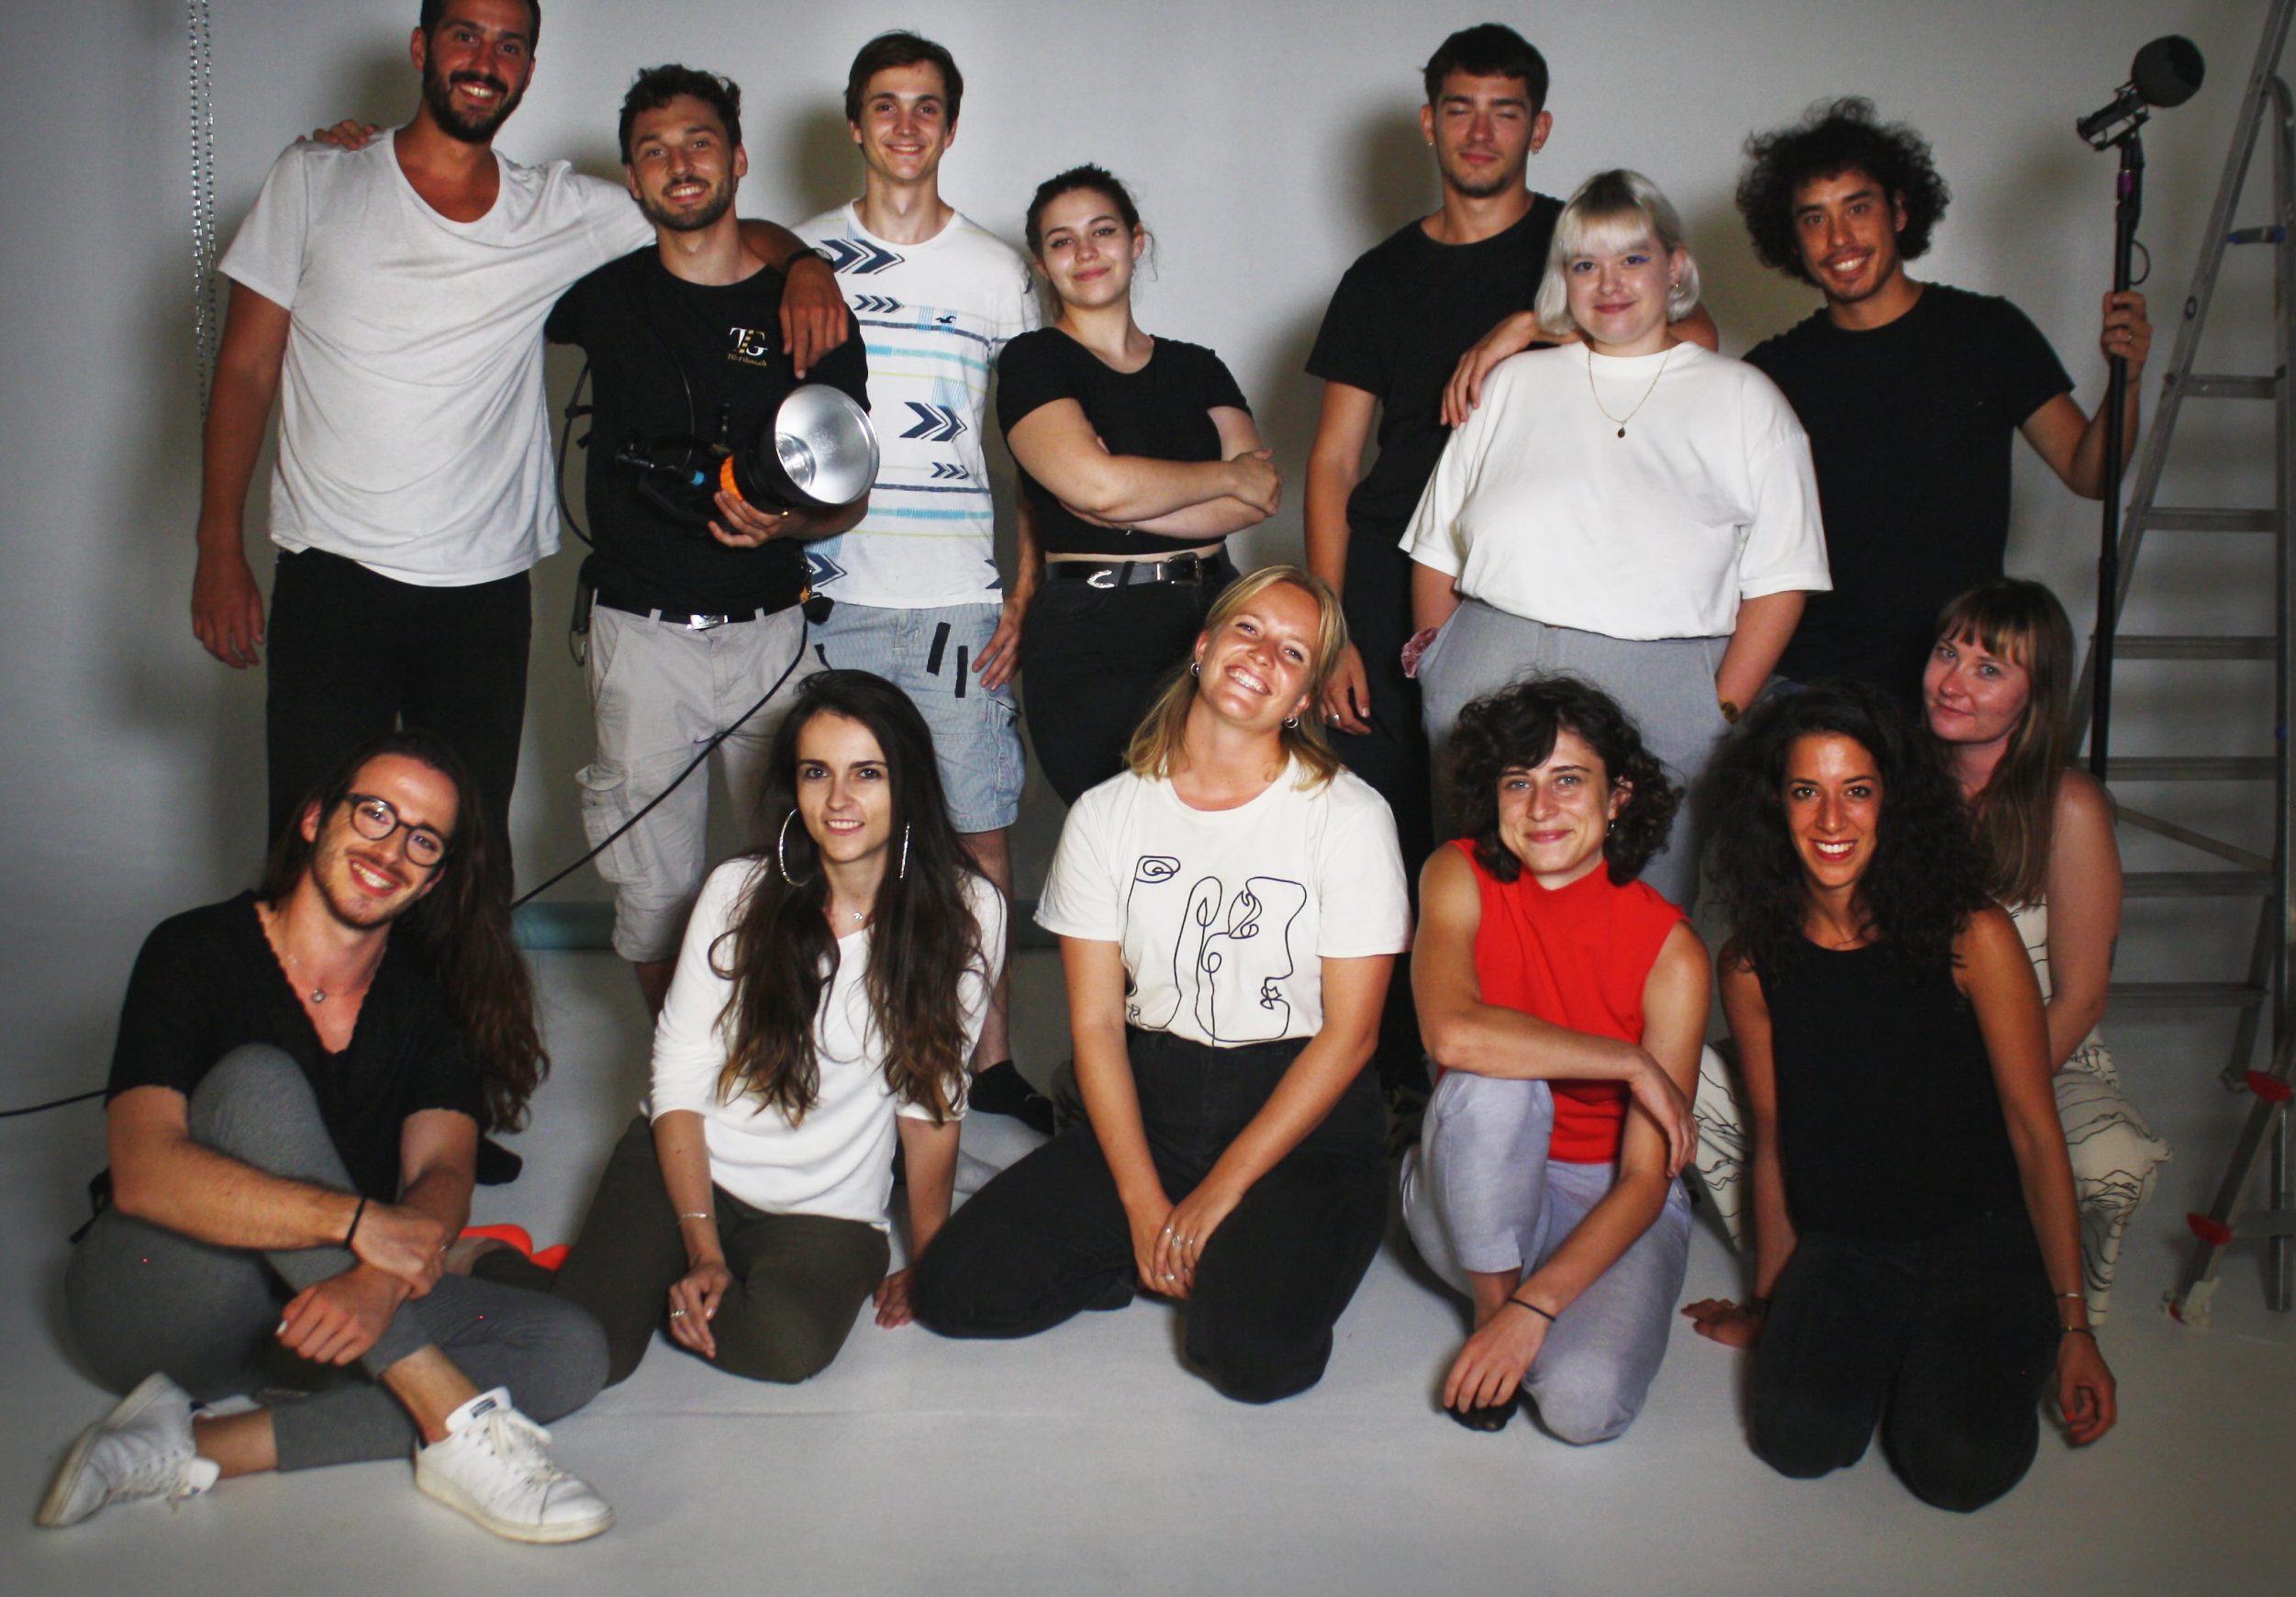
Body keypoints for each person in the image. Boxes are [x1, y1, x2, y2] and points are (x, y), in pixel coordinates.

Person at [195, 0, 847, 885]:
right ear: (423, 48)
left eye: (510, 45)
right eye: (466, 34)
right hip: (333, 568)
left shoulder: (566, 211)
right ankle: (308, 1033)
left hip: (482, 584)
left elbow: (709, 223)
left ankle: (456, 1037)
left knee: (465, 855)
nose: (484, 59)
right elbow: (247, 366)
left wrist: (808, 265)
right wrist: (217, 545)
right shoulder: (316, 179)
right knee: (313, 834)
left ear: (528, 71)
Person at [44, 734, 612, 1543]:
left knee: (569, 1350)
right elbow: (142, 1172)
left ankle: (198, 1445)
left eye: (422, 839)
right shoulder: (194, 950)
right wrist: (356, 1226)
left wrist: (376, 1285)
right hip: (154, 1300)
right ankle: (452, 1427)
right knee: (256, 1081)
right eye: (375, 813)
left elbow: (444, 1172)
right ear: (315, 818)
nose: (391, 850)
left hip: (312, 1319)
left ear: (435, 878)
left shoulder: (428, 1001)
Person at [1304, 23, 1716, 1096]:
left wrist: (1521, 326)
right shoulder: (1379, 276)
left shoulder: (1575, 245)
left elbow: (1699, 339)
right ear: (1428, 119)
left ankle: (1566, 1070)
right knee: (1403, 838)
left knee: (1549, 835)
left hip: (1544, 585)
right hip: (1401, 581)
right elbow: (1336, 460)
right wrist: (1331, 625)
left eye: (1502, 110)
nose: (1478, 130)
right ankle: (1413, 1085)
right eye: (1457, 106)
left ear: (1538, 125)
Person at [912, 566, 1410, 1403]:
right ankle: (1169, 1251)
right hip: (1160, 1098)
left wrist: (1222, 1190)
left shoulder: (1349, 817)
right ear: (1204, 645)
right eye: (1248, 630)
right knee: (954, 1292)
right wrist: (1145, 1206)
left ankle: (1267, 1242)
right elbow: (1100, 1029)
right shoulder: (1108, 814)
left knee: (1250, 1358)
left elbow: (1351, 1036)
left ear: (1302, 699)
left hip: (1302, 1114)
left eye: (1293, 653)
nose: (1262, 656)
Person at [473, 671, 1005, 1386]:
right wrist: (702, 1249)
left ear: (907, 788)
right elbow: (678, 1078)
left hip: (825, 1206)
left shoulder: (970, 914)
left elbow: (931, 1099)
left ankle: (633, 1284)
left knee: (786, 1351)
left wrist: (931, 1260)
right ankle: (495, 1263)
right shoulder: (740, 893)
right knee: (594, 1348)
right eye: (817, 773)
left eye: (867, 774)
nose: (839, 800)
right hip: (690, 1164)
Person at [1682, 683, 2116, 1513]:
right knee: (1796, 1443)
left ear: (1894, 802)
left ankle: (1948, 1357)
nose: (1831, 821)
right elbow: (1774, 1143)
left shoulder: (1972, 937)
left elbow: (2033, 1133)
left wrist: (2075, 1328)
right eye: (1806, 791)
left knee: (1959, 1473)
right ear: (1774, 807)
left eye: (1857, 791)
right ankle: (1889, 1353)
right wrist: (1770, 1307)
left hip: (1979, 1240)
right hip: (1849, 1246)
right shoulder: (1748, 963)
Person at [1401, 169, 1830, 907]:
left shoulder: (1745, 399)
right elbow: (1437, 544)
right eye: (1585, 263)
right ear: (1562, 279)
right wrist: (1444, 671)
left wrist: (1716, 709)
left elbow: (1783, 576)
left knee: (1642, 922)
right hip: (1491, 672)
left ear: (1676, 267)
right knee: (1484, 915)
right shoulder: (1512, 385)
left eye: (1633, 258)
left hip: (1662, 686)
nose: (1610, 283)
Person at [549, 65, 871, 1017]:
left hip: (772, 634)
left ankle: (794, 1076)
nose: (677, 164)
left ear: (736, 158)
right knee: (653, 893)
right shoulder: (597, 299)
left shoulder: (805, 309)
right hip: (640, 639)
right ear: (633, 178)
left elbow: (850, 495)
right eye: (653, 150)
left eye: (697, 143)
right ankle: (682, 1088)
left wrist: (788, 521)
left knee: (804, 866)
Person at [793, 30, 1043, 1127]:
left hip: (953, 595)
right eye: (884, 106)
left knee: (979, 833)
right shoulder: (794, 256)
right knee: (817, 833)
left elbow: (1039, 450)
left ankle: (988, 1063)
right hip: (828, 594)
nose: (904, 126)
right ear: (854, 123)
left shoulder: (997, 274)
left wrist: (1021, 595)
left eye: (926, 107)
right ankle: (814, 1048)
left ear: (950, 123)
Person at [1734, 97, 2152, 693]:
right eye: (1813, 218)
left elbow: (2090, 474)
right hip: (1814, 686)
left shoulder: (1987, 332)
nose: (1839, 238)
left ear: (1900, 210)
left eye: (1857, 208)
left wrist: (2127, 379)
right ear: (1792, 239)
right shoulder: (1772, 373)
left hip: (1954, 682)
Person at [1401, 677, 1706, 1440]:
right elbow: (1452, 1036)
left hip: (1609, 1195)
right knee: (1495, 1085)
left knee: (1582, 1407)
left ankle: (1521, 1308)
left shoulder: (1672, 952)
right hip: (1471, 1186)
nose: (1541, 809)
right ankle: (1490, 1304)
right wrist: (1631, 1064)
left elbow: (1645, 1176)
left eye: (1568, 780)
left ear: (1617, 797)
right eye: (1519, 783)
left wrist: (1545, 1307)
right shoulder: (1457, 872)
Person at [1926, 578, 2170, 1324]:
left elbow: (2082, 997)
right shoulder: (1892, 783)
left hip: (2041, 1054)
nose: (1953, 683)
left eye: (1988, 669)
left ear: (2037, 695)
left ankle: (2064, 1328)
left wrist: (1985, 1099)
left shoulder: (2069, 806)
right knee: (1714, 1083)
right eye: (1947, 653)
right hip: (1910, 1052)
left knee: (2114, 1158)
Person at [998, 163, 1279, 803]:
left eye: (1103, 231)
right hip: (1090, 636)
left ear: (1136, 240)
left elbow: (1256, 496)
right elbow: (1100, 488)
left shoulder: (1197, 366)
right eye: (1062, 240)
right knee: (1119, 840)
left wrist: (1122, 500)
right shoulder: (1034, 362)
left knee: (1226, 828)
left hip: (1215, 617)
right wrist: (1217, 477)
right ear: (1042, 264)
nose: (1087, 252)